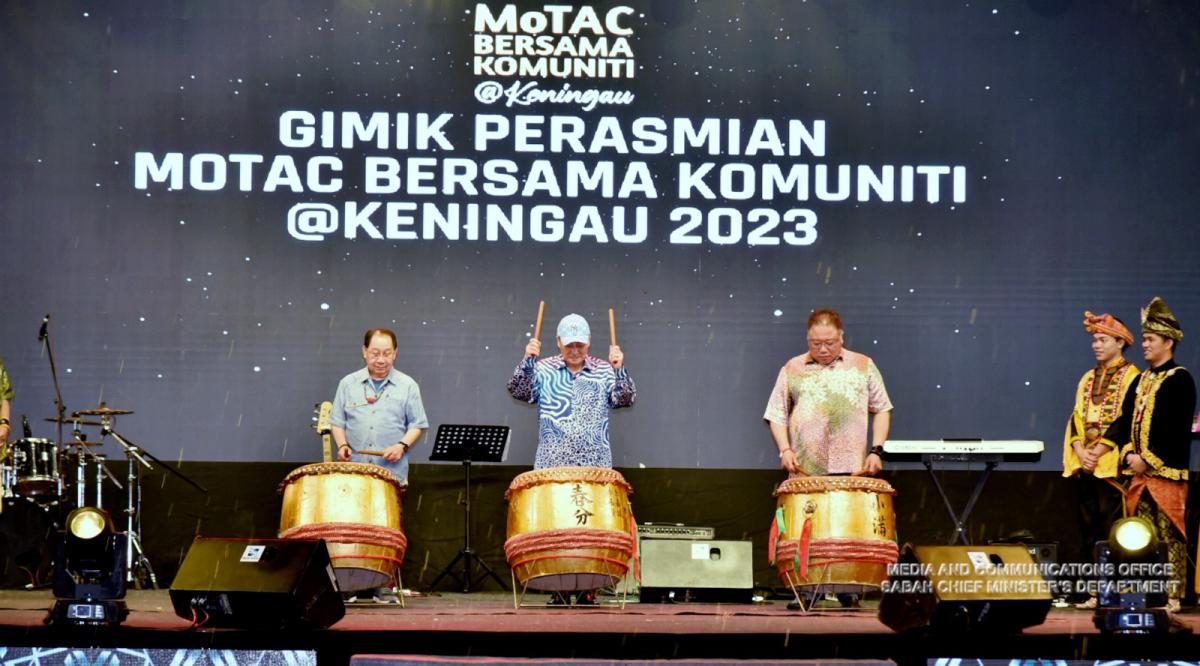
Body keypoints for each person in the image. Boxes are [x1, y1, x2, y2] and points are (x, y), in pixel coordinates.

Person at [1101, 297, 1196, 613]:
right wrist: (1129, 453)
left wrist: (1149, 460)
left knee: (1169, 534)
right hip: (1138, 474)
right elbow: (1126, 420)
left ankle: (1173, 595)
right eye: (1143, 339)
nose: (1144, 344)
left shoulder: (1180, 379)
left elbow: (1176, 429)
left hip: (1165, 474)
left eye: (1150, 339)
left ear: (1168, 342)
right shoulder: (1141, 380)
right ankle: (1139, 591)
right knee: (1137, 535)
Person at [329, 328, 429, 604]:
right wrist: (342, 445)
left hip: (390, 473)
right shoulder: (348, 383)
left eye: (387, 353)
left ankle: (382, 586)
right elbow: (337, 422)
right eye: (375, 353)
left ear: (395, 353)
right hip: (355, 473)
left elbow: (418, 424)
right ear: (364, 352)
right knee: (352, 529)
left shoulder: (407, 385)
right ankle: (350, 586)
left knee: (387, 531)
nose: (381, 359)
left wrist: (402, 446)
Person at [1062, 312, 1139, 608]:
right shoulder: (1087, 377)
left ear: (1120, 343)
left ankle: (1115, 592)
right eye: (1094, 340)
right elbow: (1076, 416)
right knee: (1088, 529)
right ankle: (1095, 592)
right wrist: (1080, 450)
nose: (1096, 345)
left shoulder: (1132, 376)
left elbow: (1126, 419)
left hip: (1111, 465)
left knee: (1113, 530)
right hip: (1086, 465)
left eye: (1103, 340)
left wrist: (1099, 451)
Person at [764, 308, 893, 478]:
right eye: (816, 343)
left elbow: (882, 408)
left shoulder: (863, 365)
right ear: (808, 339)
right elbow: (776, 414)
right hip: (805, 469)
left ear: (841, 337)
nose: (823, 349)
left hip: (853, 468)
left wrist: (876, 451)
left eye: (830, 343)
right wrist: (785, 450)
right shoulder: (792, 368)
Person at [508, 313, 636, 470]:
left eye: (580, 345)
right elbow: (520, 392)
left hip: (595, 467)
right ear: (558, 341)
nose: (575, 351)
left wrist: (619, 369)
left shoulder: (604, 369)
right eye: (569, 345)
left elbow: (624, 400)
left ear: (589, 341)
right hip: (551, 467)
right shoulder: (543, 369)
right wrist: (528, 360)